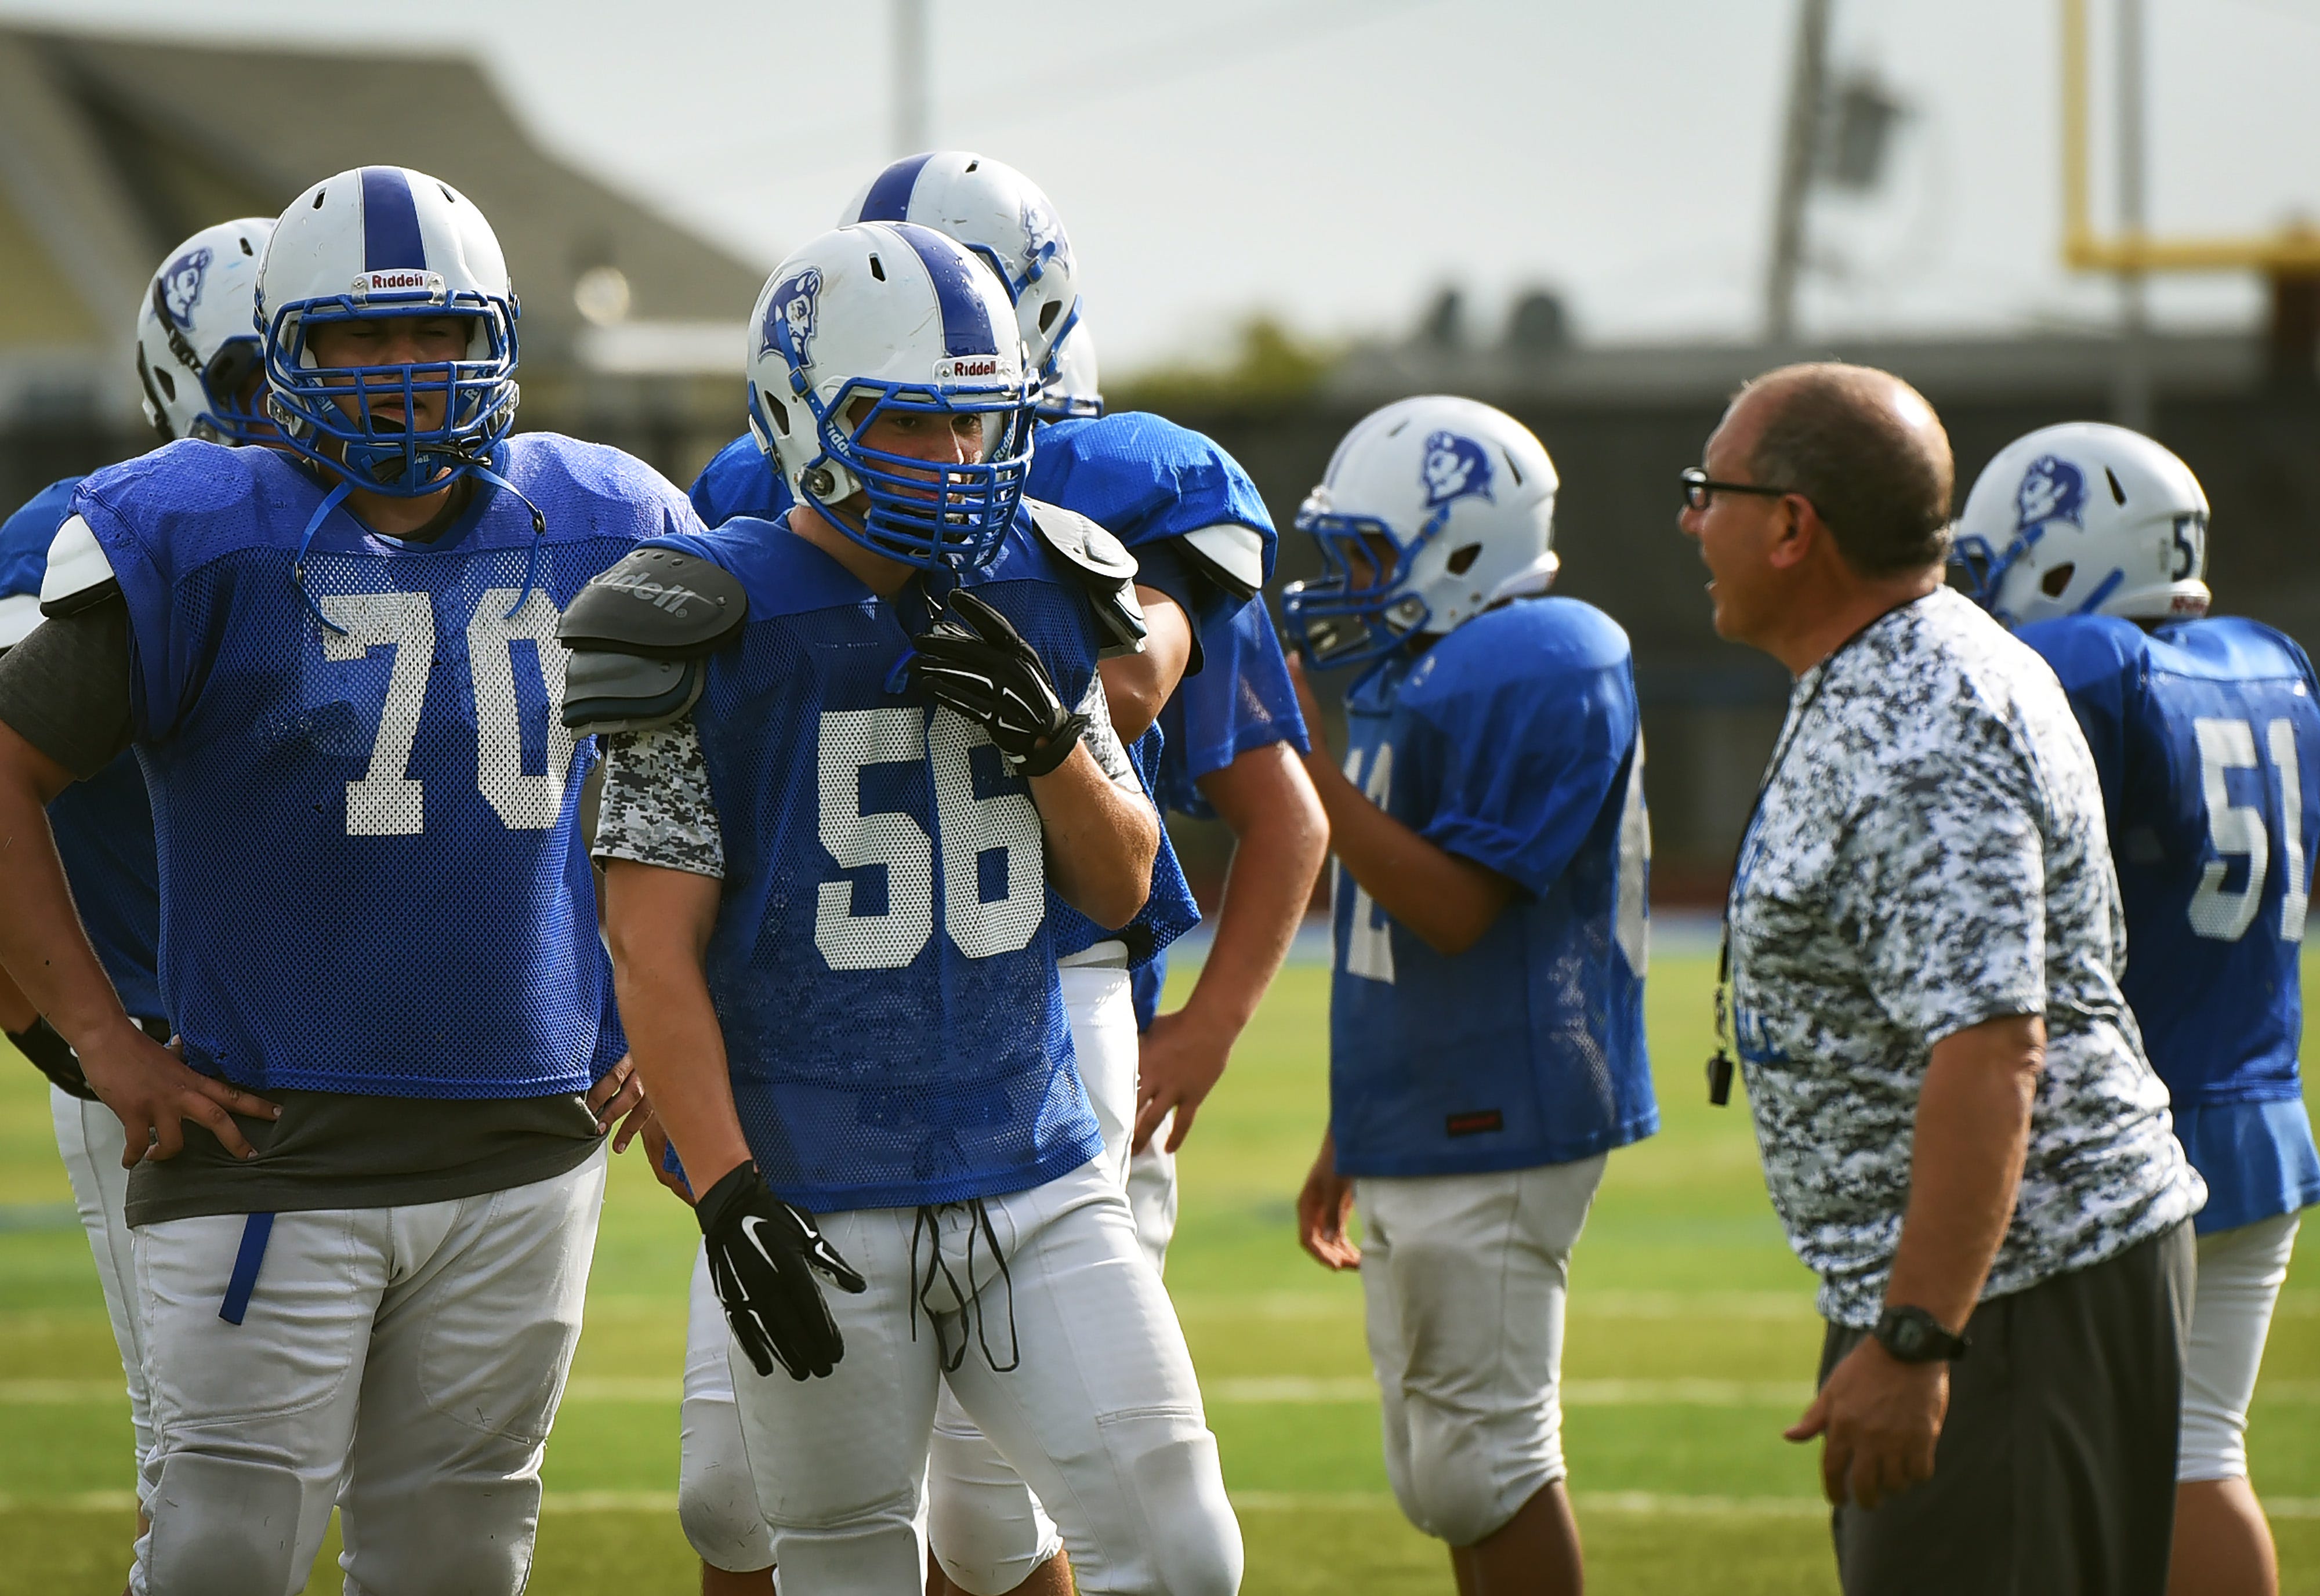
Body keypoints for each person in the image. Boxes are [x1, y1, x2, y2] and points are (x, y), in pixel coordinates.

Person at [0, 166, 673, 1595]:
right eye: (358, 340)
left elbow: (737, 761)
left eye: (432, 331)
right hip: (272, 1149)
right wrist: (104, 1043)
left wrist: (670, 1010)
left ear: (492, 335)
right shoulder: (193, 526)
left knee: (457, 1558)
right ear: (282, 352)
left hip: (521, 1147)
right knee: (218, 1556)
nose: (402, 373)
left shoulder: (607, 512)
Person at [578, 219, 1242, 1596]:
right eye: (906, 423)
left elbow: (1121, 887)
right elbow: (652, 948)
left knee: (1184, 1550)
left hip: (1035, 1160)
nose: (951, 462)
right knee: (843, 1571)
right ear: (798, 410)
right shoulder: (696, 617)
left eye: (974, 425)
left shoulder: (1052, 578)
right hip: (818, 1186)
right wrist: (727, 1188)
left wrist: (1052, 743)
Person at [1681, 362, 2205, 1595]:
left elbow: (1990, 1046)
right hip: (1970, 1286)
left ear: (1793, 525)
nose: (1692, 521)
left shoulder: (1926, 718)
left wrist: (1917, 1336)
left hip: (2007, 1293)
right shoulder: (1890, 668)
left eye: (1710, 491)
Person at [1285, 396, 1658, 1596]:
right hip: (1429, 1100)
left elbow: (1454, 906)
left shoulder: (1542, 654)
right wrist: (1358, 1115)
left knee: (1485, 1458)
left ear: (1459, 543)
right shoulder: (1425, 665)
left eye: (1364, 554)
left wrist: (1300, 772)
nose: (1339, 584)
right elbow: (1391, 919)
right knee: (1443, 1466)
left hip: (1505, 1098)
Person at [1955, 422, 2320, 1596]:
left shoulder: (2083, 660)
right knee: (2201, 1447)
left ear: (2065, 561)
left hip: (2135, 1127)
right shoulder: (2266, 659)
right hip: (2260, 1104)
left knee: (2124, 1471)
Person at [0, 215, 273, 1589]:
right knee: (205, 1470)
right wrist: (76, 1034)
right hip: (165, 1048)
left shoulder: (413, 527)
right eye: (261, 364)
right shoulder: (78, 532)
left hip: (392, 1051)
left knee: (430, 1481)